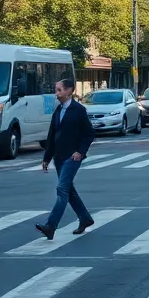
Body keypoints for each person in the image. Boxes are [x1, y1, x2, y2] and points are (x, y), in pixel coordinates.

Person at [35, 78, 96, 240]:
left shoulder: (78, 110)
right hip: (59, 157)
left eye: (60, 90)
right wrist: (47, 158)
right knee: (69, 191)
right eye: (56, 90)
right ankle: (85, 218)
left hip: (72, 157)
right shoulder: (58, 110)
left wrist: (80, 152)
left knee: (62, 190)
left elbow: (89, 134)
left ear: (69, 91)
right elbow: (52, 135)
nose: (57, 93)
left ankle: (50, 226)